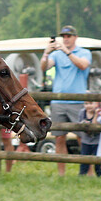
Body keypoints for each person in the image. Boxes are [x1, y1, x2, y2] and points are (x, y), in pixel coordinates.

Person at [40, 25, 91, 176]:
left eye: (69, 36)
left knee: (83, 137)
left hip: (78, 102)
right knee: (59, 137)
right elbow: (44, 67)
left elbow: (83, 65)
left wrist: (66, 51)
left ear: (75, 37)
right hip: (58, 102)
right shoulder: (56, 54)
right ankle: (61, 174)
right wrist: (46, 53)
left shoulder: (85, 52)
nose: (66, 39)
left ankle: (87, 171)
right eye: (64, 37)